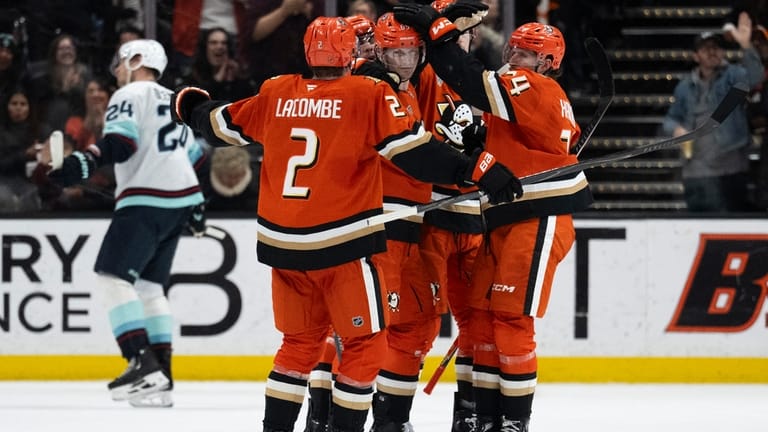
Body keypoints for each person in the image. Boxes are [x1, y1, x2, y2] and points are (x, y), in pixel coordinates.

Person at [170, 16, 522, 432]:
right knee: (365, 344)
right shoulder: (366, 93)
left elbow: (217, 124)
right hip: (343, 244)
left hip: (283, 247)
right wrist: (479, 169)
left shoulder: (276, 91)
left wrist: (189, 104)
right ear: (350, 54)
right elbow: (415, 153)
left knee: (297, 345)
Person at [394, 3, 593, 430]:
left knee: (511, 319)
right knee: (482, 321)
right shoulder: (530, 93)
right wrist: (477, 139)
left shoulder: (531, 85)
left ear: (546, 62)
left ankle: (514, 422)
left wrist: (439, 30)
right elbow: (513, 139)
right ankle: (487, 419)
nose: (512, 56)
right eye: (512, 49)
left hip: (539, 216)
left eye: (524, 52)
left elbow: (468, 80)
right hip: (504, 218)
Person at [46, 39, 208, 408]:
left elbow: (121, 144)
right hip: (180, 202)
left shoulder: (129, 94)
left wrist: (79, 164)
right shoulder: (176, 99)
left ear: (137, 60)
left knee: (112, 277)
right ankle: (162, 377)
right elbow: (197, 159)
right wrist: (199, 207)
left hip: (146, 199)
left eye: (120, 63)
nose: (117, 72)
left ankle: (141, 362)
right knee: (150, 287)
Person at [663, 13, 764, 212]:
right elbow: (671, 118)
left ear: (723, 52)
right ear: (696, 56)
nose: (712, 52)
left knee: (730, 223)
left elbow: (755, 77)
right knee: (698, 221)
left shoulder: (733, 75)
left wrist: (746, 46)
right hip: (695, 170)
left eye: (716, 48)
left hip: (730, 167)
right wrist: (676, 129)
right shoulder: (685, 86)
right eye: (705, 48)